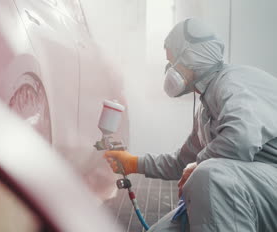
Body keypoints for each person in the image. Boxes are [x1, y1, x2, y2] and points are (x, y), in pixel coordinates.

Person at [105, 18, 277, 232]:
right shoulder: (205, 109)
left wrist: (198, 166)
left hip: (266, 186)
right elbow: (184, 162)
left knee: (209, 177)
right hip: (250, 190)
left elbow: (240, 138)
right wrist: (134, 163)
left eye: (173, 62)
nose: (169, 70)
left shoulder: (234, 82)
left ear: (191, 58)